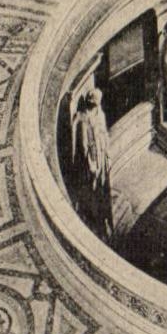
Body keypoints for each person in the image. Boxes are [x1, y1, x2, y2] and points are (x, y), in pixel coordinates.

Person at [71, 79, 112, 239]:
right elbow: (83, 145)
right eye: (95, 103)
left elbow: (104, 134)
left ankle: (103, 223)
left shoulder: (99, 114)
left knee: (101, 190)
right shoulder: (83, 120)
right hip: (93, 159)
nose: (97, 106)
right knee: (93, 191)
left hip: (101, 155)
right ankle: (96, 224)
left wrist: (106, 153)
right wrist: (92, 165)